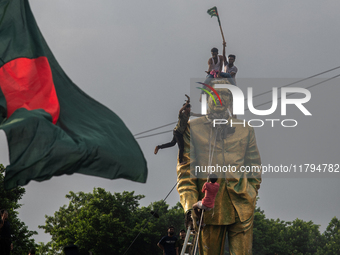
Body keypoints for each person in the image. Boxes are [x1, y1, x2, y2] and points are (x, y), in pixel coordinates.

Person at [177, 81, 261, 255]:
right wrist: (189, 205)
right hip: (207, 209)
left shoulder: (245, 130)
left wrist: (251, 192)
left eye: (225, 95)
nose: (219, 99)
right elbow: (185, 172)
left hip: (241, 204)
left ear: (231, 101)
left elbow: (254, 166)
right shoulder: (193, 128)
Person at [154, 96, 191, 164]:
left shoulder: (188, 114)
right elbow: (180, 111)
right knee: (181, 147)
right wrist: (186, 104)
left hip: (179, 132)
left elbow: (197, 114)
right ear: (186, 108)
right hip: (177, 132)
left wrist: (206, 115)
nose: (190, 109)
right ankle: (180, 161)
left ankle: (159, 147)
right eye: (189, 108)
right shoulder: (181, 115)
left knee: (172, 143)